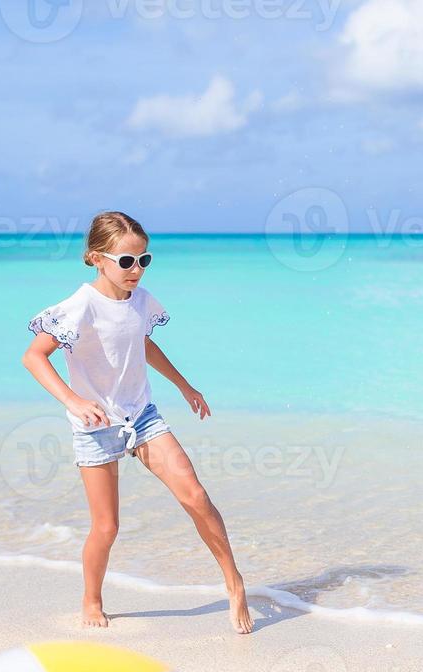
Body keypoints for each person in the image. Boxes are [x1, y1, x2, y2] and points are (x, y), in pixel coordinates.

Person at [21, 210, 254, 634]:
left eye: (143, 260)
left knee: (196, 496)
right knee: (107, 527)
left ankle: (234, 582)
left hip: (142, 416)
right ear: (96, 258)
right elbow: (34, 356)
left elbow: (143, 344)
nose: (136, 270)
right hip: (95, 427)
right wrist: (73, 400)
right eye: (126, 261)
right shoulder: (80, 306)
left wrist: (186, 386)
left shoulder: (141, 301)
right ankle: (92, 598)